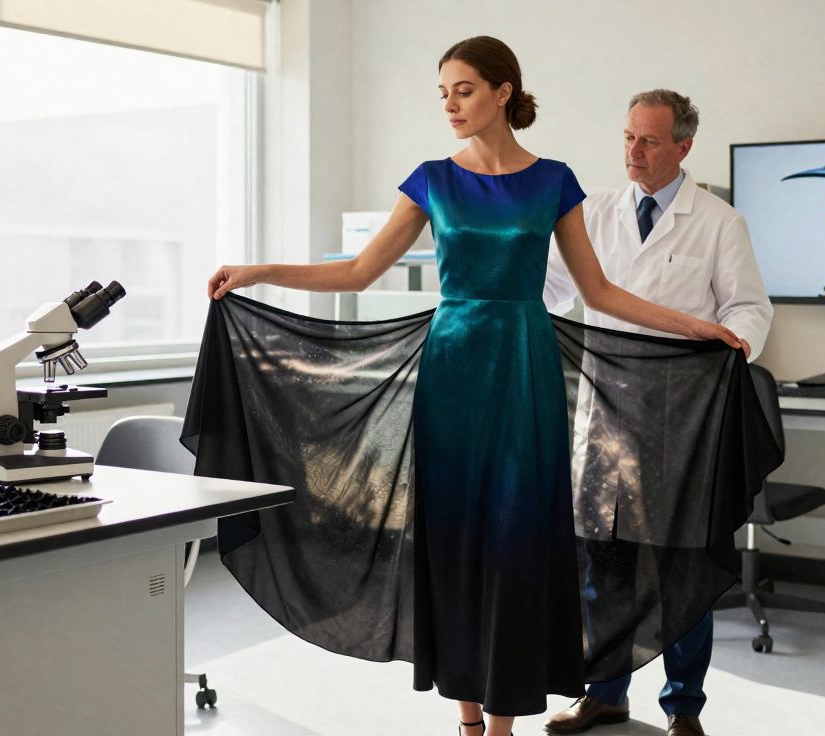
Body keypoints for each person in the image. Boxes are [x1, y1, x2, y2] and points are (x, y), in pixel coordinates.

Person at [190, 38, 777, 736]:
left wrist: (699, 328)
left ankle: (505, 721)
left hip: (524, 369)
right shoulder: (432, 179)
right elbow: (356, 273)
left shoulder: (554, 181)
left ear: (503, 93)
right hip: (452, 369)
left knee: (518, 543)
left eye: (463, 89)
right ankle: (471, 722)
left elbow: (598, 292)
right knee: (456, 539)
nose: (449, 104)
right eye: (442, 92)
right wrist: (258, 273)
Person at [541, 90, 772, 736]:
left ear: (683, 147)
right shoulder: (594, 214)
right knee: (603, 566)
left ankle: (684, 708)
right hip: (605, 412)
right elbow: (553, 292)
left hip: (681, 419)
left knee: (681, 568)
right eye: (627, 138)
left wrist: (735, 345)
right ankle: (604, 693)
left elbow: (750, 308)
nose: (632, 153)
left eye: (647, 141)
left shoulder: (720, 222)